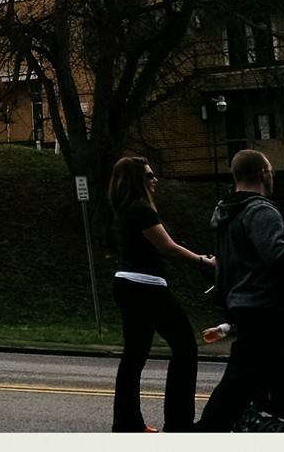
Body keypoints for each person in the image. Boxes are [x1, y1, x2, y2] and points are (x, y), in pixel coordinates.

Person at [195, 149, 284, 432]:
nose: (272, 176)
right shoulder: (261, 210)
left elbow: (226, 265)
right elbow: (276, 255)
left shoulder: (225, 214)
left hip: (245, 307)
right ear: (264, 173)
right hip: (269, 310)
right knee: (241, 388)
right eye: (271, 171)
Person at [108, 156, 215, 432]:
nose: (155, 180)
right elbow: (168, 246)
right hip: (146, 287)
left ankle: (126, 424)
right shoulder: (142, 210)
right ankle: (178, 423)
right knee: (185, 348)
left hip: (127, 284)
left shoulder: (125, 210)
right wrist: (203, 261)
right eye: (149, 175)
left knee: (134, 356)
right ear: (137, 180)